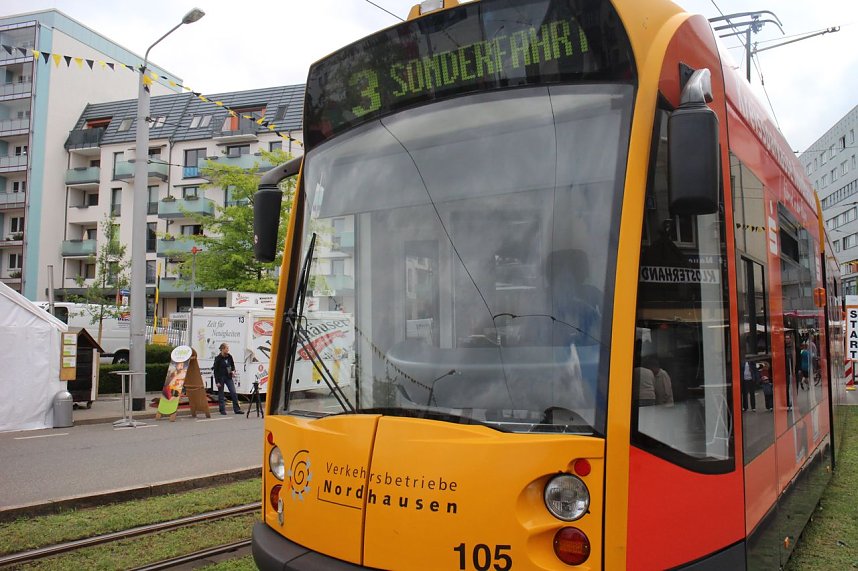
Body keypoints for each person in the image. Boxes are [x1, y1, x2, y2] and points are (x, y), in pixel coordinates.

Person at [213, 342, 242, 415]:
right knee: (221, 394)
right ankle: (222, 410)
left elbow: (232, 365)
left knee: (233, 392)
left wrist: (232, 370)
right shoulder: (218, 358)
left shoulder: (229, 356)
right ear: (222, 349)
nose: (228, 350)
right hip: (221, 377)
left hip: (228, 376)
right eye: (226, 348)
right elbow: (215, 370)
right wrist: (217, 381)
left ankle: (237, 409)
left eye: (228, 348)